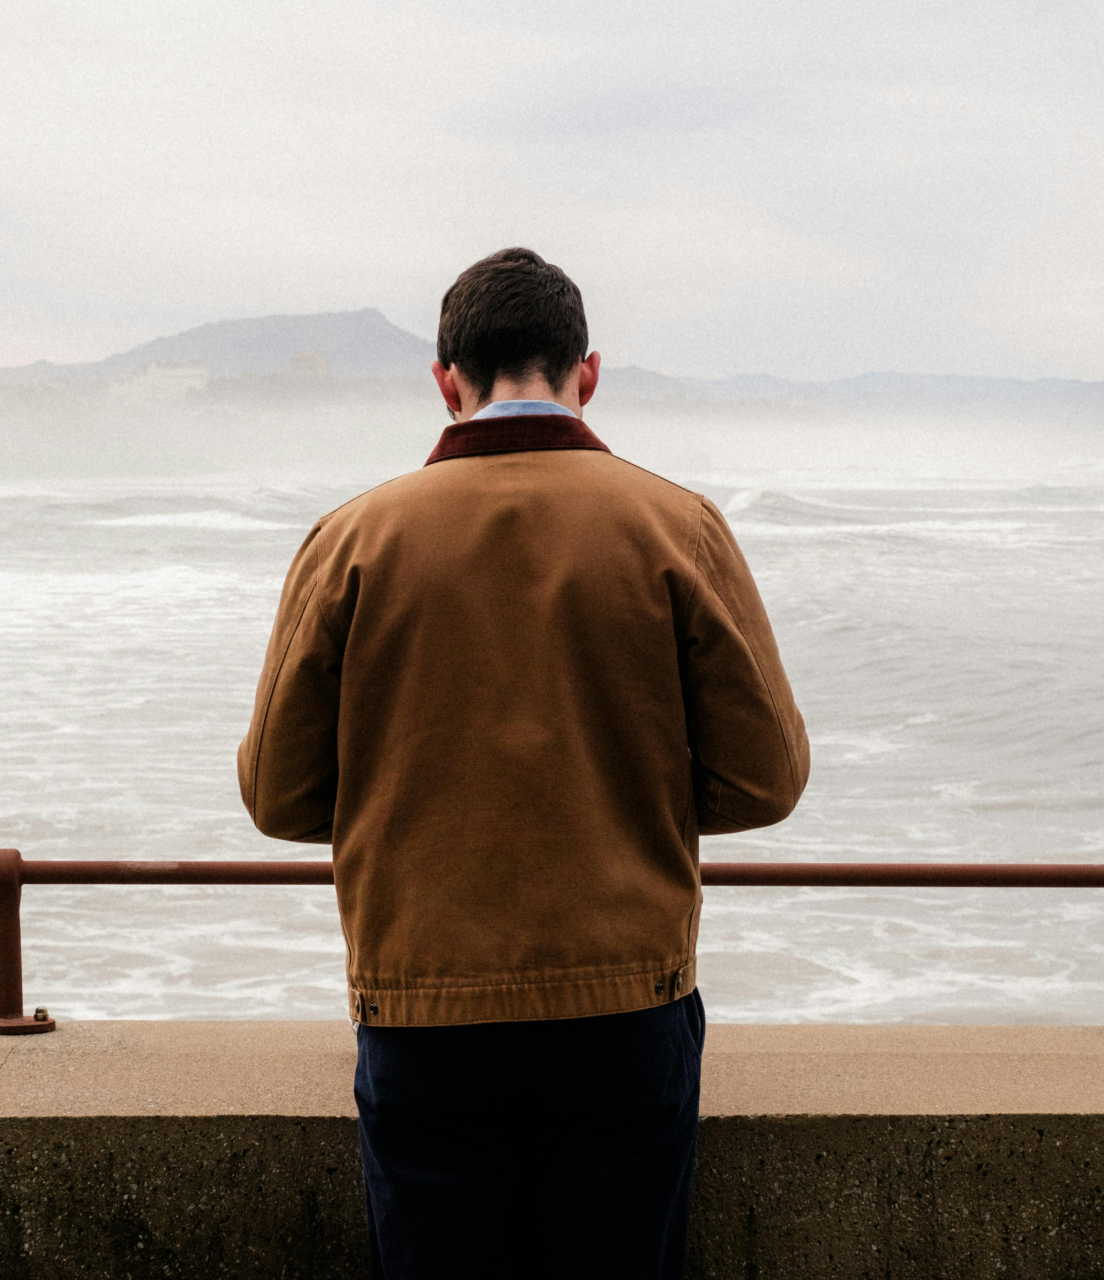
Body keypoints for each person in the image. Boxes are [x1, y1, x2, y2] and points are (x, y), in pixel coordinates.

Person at [239, 247, 809, 1279]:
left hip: (424, 1009)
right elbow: (766, 778)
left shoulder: (353, 539)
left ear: (446, 380)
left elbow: (279, 795)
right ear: (586, 372)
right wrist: (620, 789)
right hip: (624, 1007)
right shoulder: (677, 526)